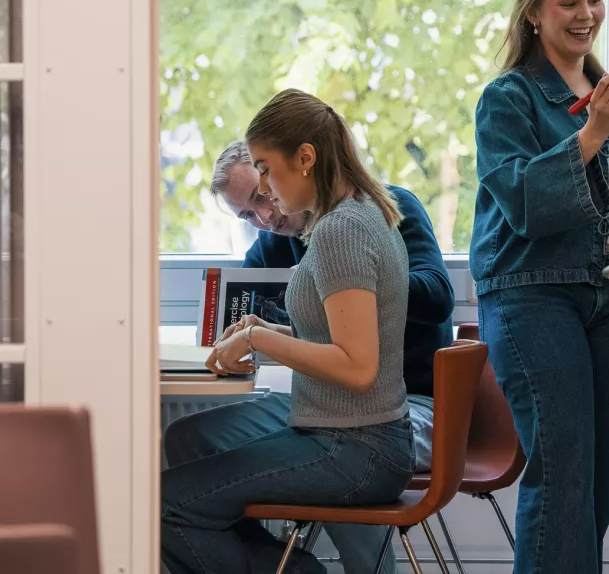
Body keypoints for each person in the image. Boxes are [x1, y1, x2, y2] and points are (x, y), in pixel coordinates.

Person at [163, 140, 453, 574]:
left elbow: (440, 295)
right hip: (326, 400)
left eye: (262, 196)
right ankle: (281, 564)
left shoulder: (381, 213)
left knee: (345, 446)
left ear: (280, 175)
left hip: (408, 404)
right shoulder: (277, 240)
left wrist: (351, 286)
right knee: (188, 439)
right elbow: (239, 303)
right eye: (247, 215)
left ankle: (368, 569)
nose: (265, 216)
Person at [470, 0, 609, 573]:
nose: (586, 13)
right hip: (531, 296)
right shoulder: (507, 98)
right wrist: (589, 136)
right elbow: (522, 202)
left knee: (597, 482)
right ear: (534, 13)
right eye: (569, 1)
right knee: (562, 473)